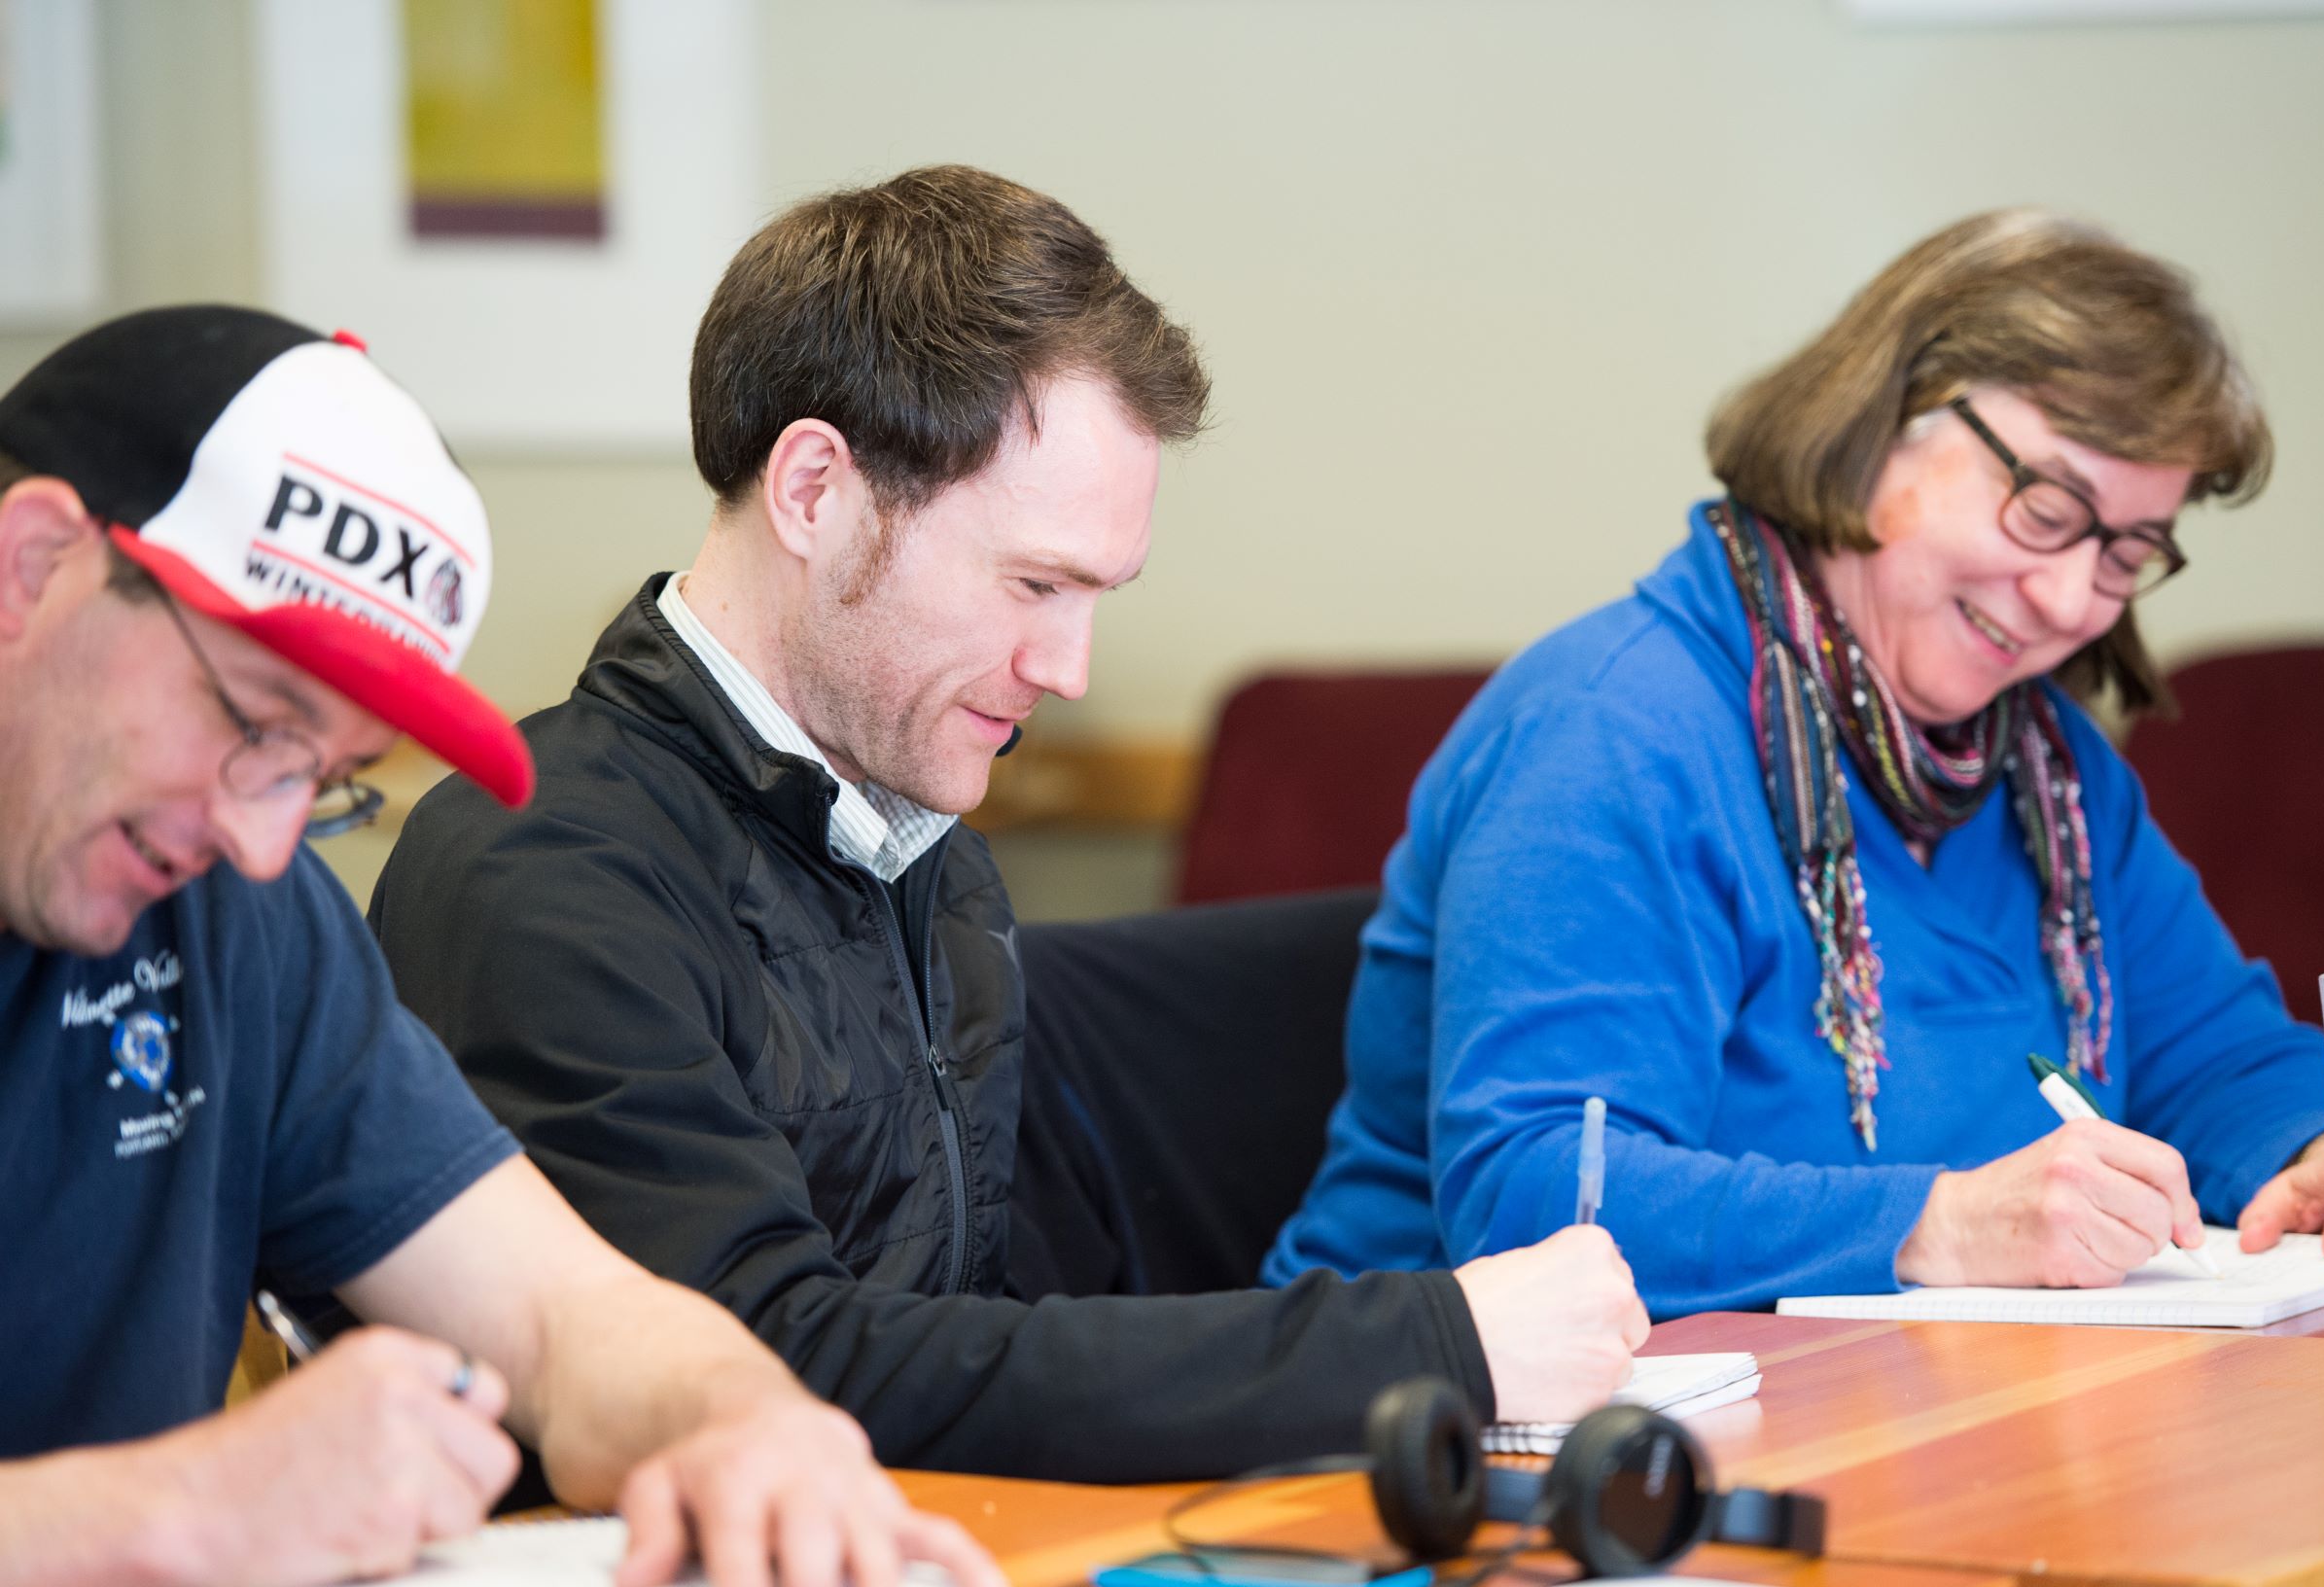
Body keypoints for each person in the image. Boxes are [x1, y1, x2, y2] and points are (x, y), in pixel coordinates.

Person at [368, 165, 1647, 1483]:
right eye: (1034, 582)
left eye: (1096, 595)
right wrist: (1420, 1341)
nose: (1070, 667)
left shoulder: (924, 842)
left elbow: (970, 1340)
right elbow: (766, 1369)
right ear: (814, 491)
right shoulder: (542, 867)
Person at [0, 306, 1000, 1587]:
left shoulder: (245, 915)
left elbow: (562, 1318)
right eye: (252, 725)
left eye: (326, 780)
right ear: (31, 566)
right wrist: (181, 1507)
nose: (262, 835)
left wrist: (746, 1422)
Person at [1263, 210, 2324, 1317]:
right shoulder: (1613, 733)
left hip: (1906, 1407)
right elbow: (1538, 1197)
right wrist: (1946, 1225)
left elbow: (2211, 1054)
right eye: (2046, 508)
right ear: (1879, 423)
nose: (2072, 602)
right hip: (1441, 1427)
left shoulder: (2052, 772)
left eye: (2126, 552)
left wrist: (2321, 1150)